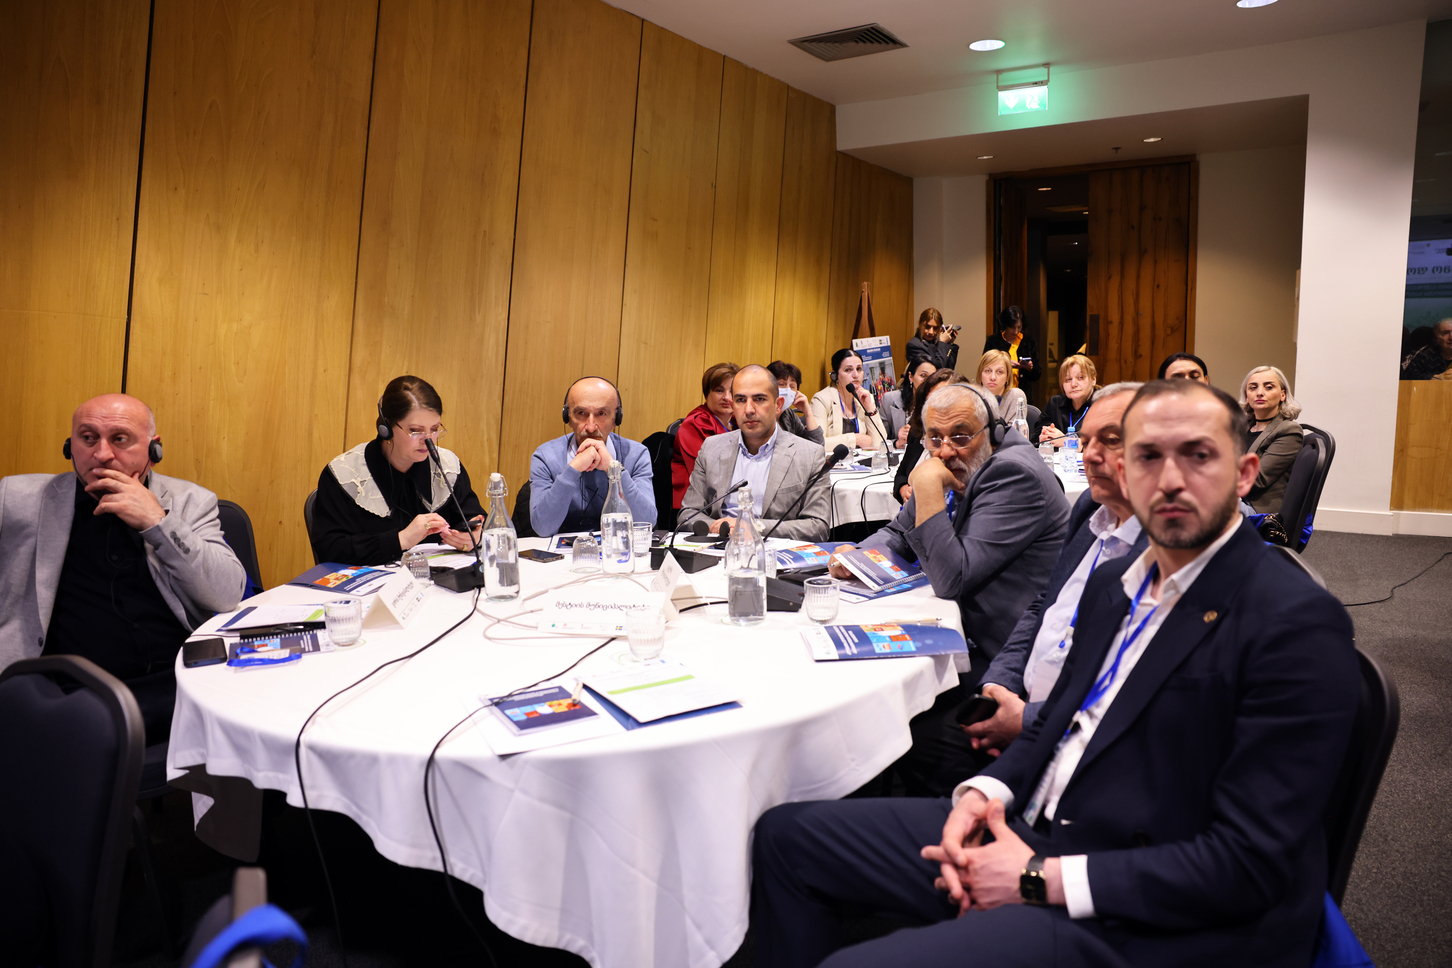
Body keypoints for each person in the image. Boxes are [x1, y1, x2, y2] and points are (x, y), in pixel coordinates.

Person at [751, 378, 1360, 968]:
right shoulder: (1115, 581)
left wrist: (1036, 878)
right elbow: (1058, 721)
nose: (1170, 479)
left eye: (1198, 456)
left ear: (1245, 475)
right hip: (1036, 824)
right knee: (786, 837)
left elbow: (1249, 864)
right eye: (1148, 456)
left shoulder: (1295, 622)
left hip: (1144, 912)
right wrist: (982, 796)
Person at [830, 382, 1069, 794]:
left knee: (879, 723)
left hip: (1006, 657)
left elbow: (951, 578)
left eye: (960, 436)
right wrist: (857, 558)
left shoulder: (1014, 474)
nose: (944, 451)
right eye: (935, 438)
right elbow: (899, 531)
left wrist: (925, 489)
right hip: (961, 635)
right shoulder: (959, 459)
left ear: (993, 430)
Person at [0, 394, 246, 745]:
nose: (102, 454)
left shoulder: (190, 501)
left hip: (170, 680)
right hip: (60, 686)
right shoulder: (17, 498)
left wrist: (157, 521)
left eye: (119, 439)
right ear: (70, 447)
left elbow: (226, 594)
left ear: (154, 449)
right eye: (88, 438)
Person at [965, 383, 1149, 757]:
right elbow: (1045, 604)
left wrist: (1029, 720)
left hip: (1076, 741)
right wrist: (1000, 682)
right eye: (1085, 440)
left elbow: (1134, 691)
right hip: (1022, 694)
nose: (1088, 454)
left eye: (1110, 440)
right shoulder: (1090, 509)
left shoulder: (1168, 551)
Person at [313, 376, 484, 565]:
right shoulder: (345, 474)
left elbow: (475, 519)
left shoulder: (447, 467)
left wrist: (474, 537)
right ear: (385, 428)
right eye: (416, 430)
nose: (428, 440)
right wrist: (400, 540)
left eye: (435, 429)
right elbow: (330, 551)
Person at [678, 365, 830, 541]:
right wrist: (716, 527)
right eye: (740, 400)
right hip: (717, 546)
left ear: (778, 405)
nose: (749, 409)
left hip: (773, 550)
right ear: (733, 405)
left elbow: (818, 527)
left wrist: (753, 527)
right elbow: (688, 513)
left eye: (759, 399)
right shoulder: (712, 448)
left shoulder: (809, 455)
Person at [531, 376, 655, 537]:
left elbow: (646, 523)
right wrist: (573, 469)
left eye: (601, 413)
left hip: (617, 549)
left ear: (616, 419)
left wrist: (613, 469)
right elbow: (543, 528)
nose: (590, 427)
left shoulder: (636, 455)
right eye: (581, 413)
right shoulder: (546, 456)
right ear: (567, 418)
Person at [671, 362, 738, 508]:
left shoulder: (736, 422)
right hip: (696, 505)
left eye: (732, 391)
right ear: (707, 394)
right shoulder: (696, 423)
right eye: (719, 391)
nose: (727, 397)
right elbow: (708, 474)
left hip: (727, 497)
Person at [1240, 365, 1304, 513]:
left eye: (1269, 387)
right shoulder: (1242, 427)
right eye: (1253, 388)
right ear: (1247, 396)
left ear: (1282, 395)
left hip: (1256, 508)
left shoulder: (1288, 431)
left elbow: (1257, 479)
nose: (1260, 393)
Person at [894, 368, 964, 504]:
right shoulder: (917, 432)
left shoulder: (964, 444)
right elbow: (901, 473)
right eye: (930, 401)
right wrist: (904, 490)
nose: (935, 407)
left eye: (943, 400)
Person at [811, 349, 891, 454]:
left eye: (859, 369)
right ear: (835, 376)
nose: (855, 375)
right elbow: (817, 444)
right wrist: (855, 439)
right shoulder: (822, 400)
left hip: (862, 462)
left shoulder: (865, 398)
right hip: (833, 462)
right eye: (848, 370)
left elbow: (880, 444)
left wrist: (870, 409)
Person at [1038, 353, 1097, 447]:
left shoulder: (1103, 405)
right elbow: (1034, 440)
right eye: (1068, 379)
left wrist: (1066, 442)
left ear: (1093, 380)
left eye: (1080, 377)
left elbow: (1106, 445)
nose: (1073, 384)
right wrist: (1044, 437)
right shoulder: (1055, 403)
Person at [767, 360, 825, 446]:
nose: (788, 390)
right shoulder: (764, 415)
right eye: (782, 384)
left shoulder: (789, 415)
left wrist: (808, 412)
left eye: (792, 386)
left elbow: (816, 446)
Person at [882, 359, 937, 447]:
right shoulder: (890, 399)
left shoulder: (938, 403)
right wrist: (897, 443)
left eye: (932, 378)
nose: (928, 381)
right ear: (911, 377)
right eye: (923, 375)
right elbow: (879, 440)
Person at [983, 306, 1039, 389]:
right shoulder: (993, 341)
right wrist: (1006, 363)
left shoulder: (1029, 342)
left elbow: (1037, 374)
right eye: (1012, 327)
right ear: (1006, 325)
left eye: (1019, 327)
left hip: (1022, 391)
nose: (1016, 331)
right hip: (998, 391)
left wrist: (1029, 368)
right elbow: (985, 367)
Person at [975, 350, 1031, 431]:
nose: (993, 377)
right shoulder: (972, 398)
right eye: (988, 371)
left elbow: (1013, 435)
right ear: (980, 374)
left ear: (1007, 377)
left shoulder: (1015, 396)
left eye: (999, 372)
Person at [905, 308, 960, 372]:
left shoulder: (937, 343)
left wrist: (948, 344)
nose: (931, 332)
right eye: (927, 327)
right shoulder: (914, 345)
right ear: (920, 324)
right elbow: (935, 370)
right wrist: (943, 344)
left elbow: (949, 370)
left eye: (935, 328)